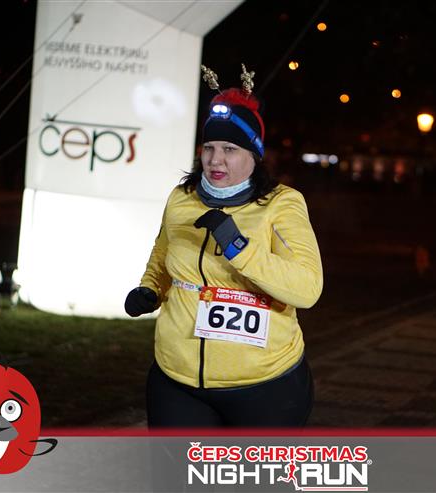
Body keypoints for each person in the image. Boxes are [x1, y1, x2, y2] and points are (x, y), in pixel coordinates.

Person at [124, 65, 323, 427]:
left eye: (230, 149)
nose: (215, 160)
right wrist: (150, 289)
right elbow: (163, 253)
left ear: (253, 154)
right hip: (178, 378)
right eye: (209, 148)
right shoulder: (182, 198)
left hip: (264, 384)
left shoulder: (282, 203)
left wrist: (238, 246)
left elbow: (307, 288)